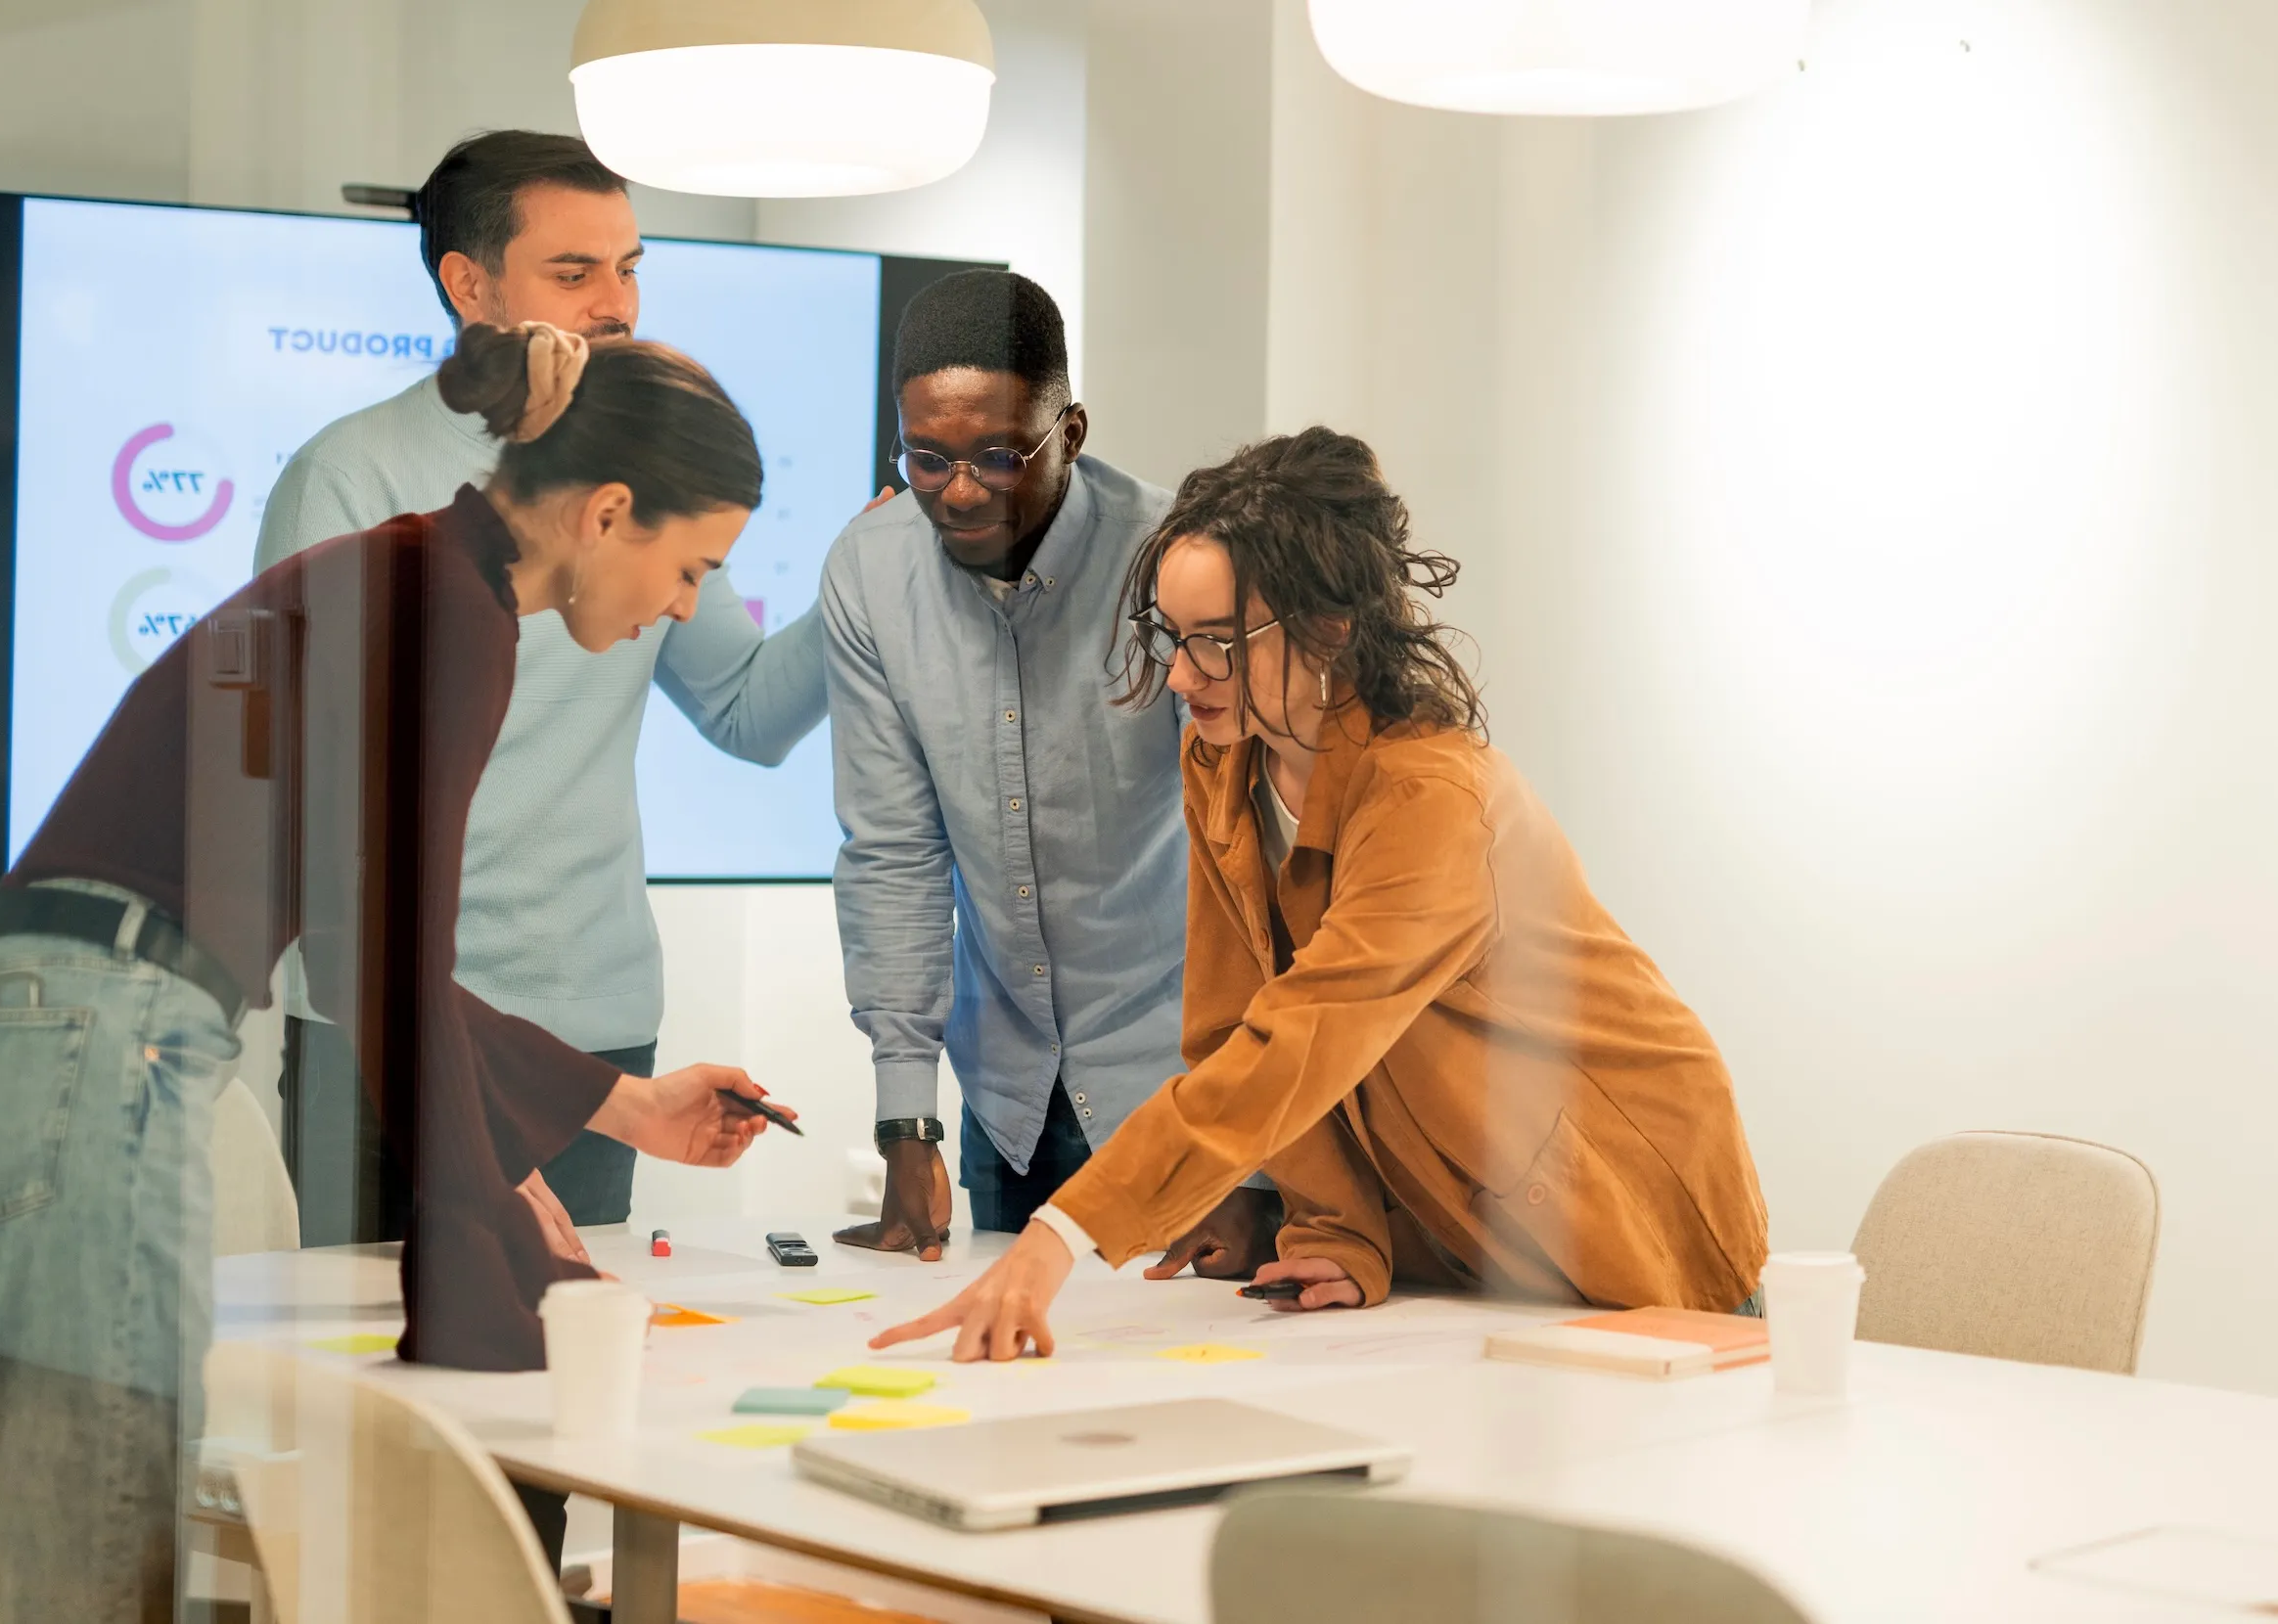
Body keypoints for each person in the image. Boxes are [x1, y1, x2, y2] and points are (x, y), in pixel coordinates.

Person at [0, 325, 789, 1621]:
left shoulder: (408, 576)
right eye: (693, 568)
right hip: (111, 1024)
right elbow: (392, 957)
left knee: (81, 1519)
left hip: (71, 1014)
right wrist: (491, 1226)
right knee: (97, 1537)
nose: (685, 605)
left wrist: (610, 1108)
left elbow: (361, 950)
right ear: (611, 512)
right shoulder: (451, 611)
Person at [872, 428, 1770, 1362]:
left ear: (1329, 627)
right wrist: (1335, 1229)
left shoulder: (1435, 799)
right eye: (1171, 639)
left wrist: (1064, 1233)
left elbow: (1301, 1036)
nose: (1182, 676)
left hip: (1624, 1205)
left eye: (1216, 644)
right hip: (1473, 1237)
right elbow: (1230, 1024)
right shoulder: (1225, 758)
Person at [255, 130, 847, 1241]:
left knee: (565, 1360)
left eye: (629, 267)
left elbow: (750, 711)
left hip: (593, 1012)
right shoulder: (352, 478)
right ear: (468, 284)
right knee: (375, 1369)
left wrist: (879, 562)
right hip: (379, 1019)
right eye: (573, 275)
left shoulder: (644, 475)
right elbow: (314, 806)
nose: (614, 306)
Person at [822, 269, 1281, 1273]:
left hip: (1181, 1086)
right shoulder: (867, 571)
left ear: (1069, 432)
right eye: (926, 458)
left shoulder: (1174, 560)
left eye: (998, 454)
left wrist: (1250, 1161)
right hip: (1010, 1099)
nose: (959, 489)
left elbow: (1255, 856)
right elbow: (895, 850)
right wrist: (909, 1122)